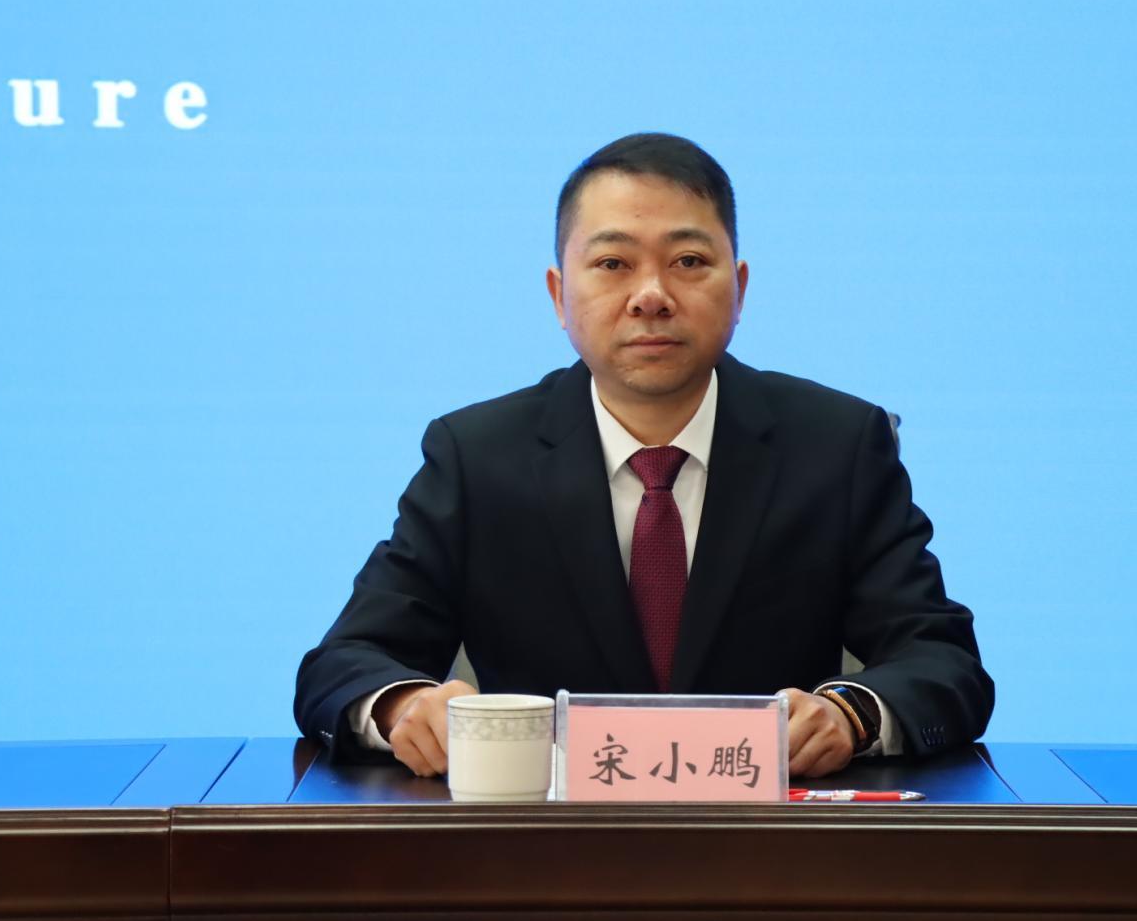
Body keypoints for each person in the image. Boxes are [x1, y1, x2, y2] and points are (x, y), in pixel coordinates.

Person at [294, 133, 993, 779]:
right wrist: (403, 706)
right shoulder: (477, 457)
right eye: (613, 264)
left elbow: (942, 661)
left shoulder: (836, 446)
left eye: (688, 262)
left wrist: (851, 714)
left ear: (739, 288)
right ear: (559, 294)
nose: (651, 296)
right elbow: (344, 663)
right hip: (542, 849)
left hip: (767, 846)